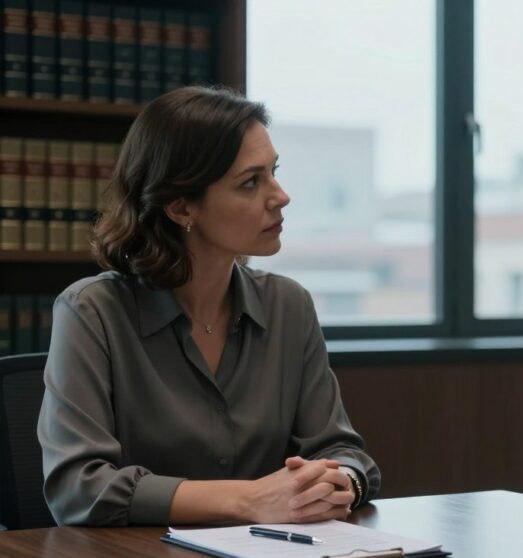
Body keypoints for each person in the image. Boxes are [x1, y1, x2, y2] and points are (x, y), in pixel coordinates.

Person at [38, 86, 380, 526]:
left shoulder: (288, 305)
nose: (280, 196)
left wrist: (341, 485)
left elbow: (343, 452)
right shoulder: (91, 312)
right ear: (181, 207)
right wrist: (247, 500)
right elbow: (78, 487)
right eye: (251, 182)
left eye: (273, 172)